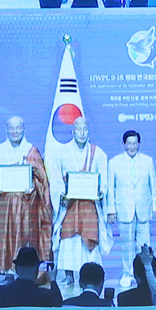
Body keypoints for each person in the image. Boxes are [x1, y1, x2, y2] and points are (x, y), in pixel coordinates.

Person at [0, 116, 53, 278]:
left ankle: (28, 274)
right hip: (5, 207)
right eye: (11, 128)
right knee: (6, 238)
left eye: (18, 128)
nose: (15, 131)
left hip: (28, 206)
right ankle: (8, 274)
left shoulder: (31, 152)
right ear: (6, 129)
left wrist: (32, 186)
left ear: (24, 129)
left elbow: (42, 180)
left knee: (26, 238)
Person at [50, 118, 111, 286]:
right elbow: (56, 179)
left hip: (90, 205)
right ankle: (69, 275)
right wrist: (62, 194)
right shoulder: (61, 152)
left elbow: (104, 180)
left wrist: (101, 191)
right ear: (73, 131)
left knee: (89, 239)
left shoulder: (98, 153)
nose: (82, 133)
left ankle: (90, 277)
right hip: (70, 206)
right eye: (78, 129)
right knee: (69, 239)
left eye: (85, 129)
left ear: (89, 131)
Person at [106, 129, 156, 288]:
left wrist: (154, 207)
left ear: (139, 144)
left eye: (135, 143)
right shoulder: (114, 162)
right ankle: (127, 273)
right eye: (129, 144)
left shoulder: (148, 161)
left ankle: (145, 273)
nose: (132, 147)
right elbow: (110, 188)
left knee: (144, 245)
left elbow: (153, 186)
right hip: (124, 210)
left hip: (143, 209)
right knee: (127, 245)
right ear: (123, 144)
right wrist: (111, 210)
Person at [0, 245, 65, 306]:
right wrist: (53, 281)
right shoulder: (45, 295)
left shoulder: (2, 292)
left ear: (16, 269)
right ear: (36, 271)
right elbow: (57, 302)